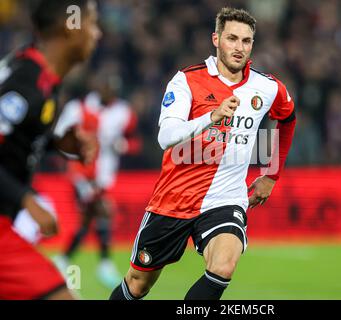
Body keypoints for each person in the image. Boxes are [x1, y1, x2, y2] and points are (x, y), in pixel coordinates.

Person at [110, 7, 296, 300]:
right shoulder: (186, 81)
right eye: (232, 39)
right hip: (174, 199)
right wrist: (212, 116)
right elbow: (166, 136)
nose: (239, 48)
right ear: (216, 39)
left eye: (246, 41)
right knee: (137, 284)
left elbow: (288, 118)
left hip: (226, 199)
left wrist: (271, 175)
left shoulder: (268, 87)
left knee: (224, 266)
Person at [0, 0, 101, 300]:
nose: (98, 34)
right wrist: (27, 200)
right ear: (68, 27)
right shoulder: (27, 80)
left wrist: (56, 144)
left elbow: (12, 142)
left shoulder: (40, 77)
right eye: (92, 24)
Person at [52, 75, 140, 289]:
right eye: (105, 86)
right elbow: (59, 136)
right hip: (81, 173)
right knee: (103, 211)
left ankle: (63, 259)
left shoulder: (123, 112)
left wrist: (124, 146)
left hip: (105, 176)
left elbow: (136, 141)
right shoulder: (80, 108)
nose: (107, 92)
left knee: (88, 221)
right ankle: (105, 264)